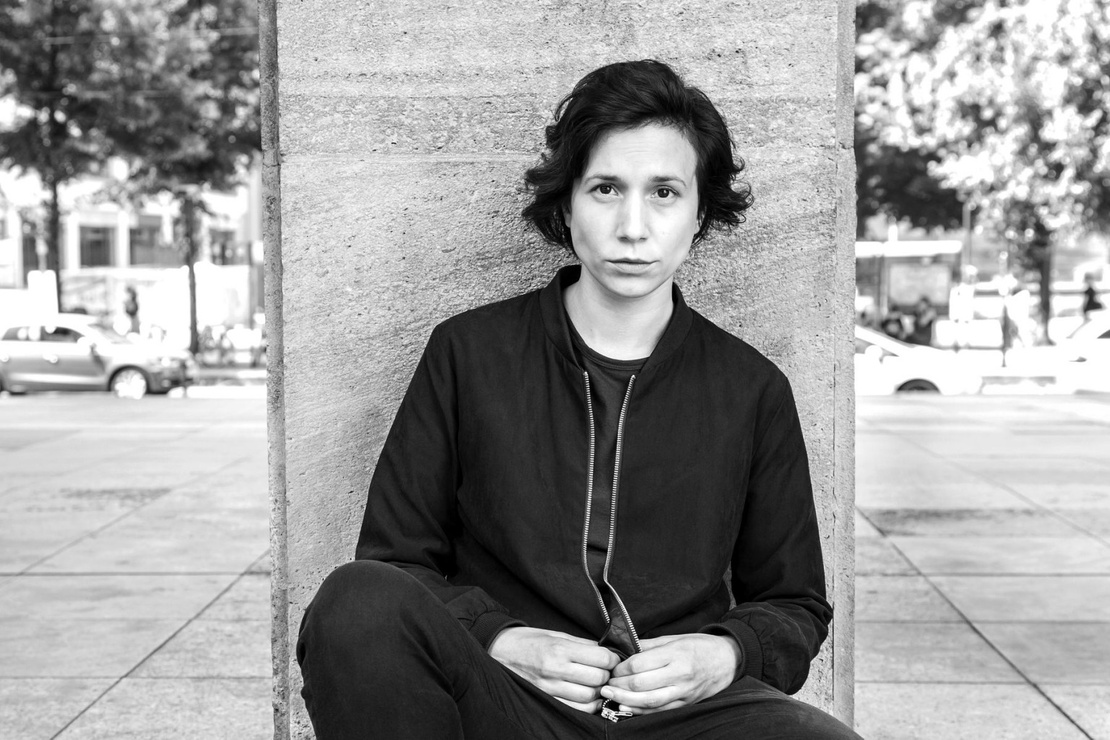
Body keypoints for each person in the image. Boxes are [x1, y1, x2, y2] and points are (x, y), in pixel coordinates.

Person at [296, 60, 859, 739]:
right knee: (356, 600)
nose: (632, 226)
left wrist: (727, 653)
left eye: (664, 193)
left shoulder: (751, 388)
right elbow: (396, 562)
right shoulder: (469, 354)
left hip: (675, 718)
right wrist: (499, 638)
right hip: (507, 701)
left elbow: (794, 602)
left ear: (700, 213)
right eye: (606, 189)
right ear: (567, 205)